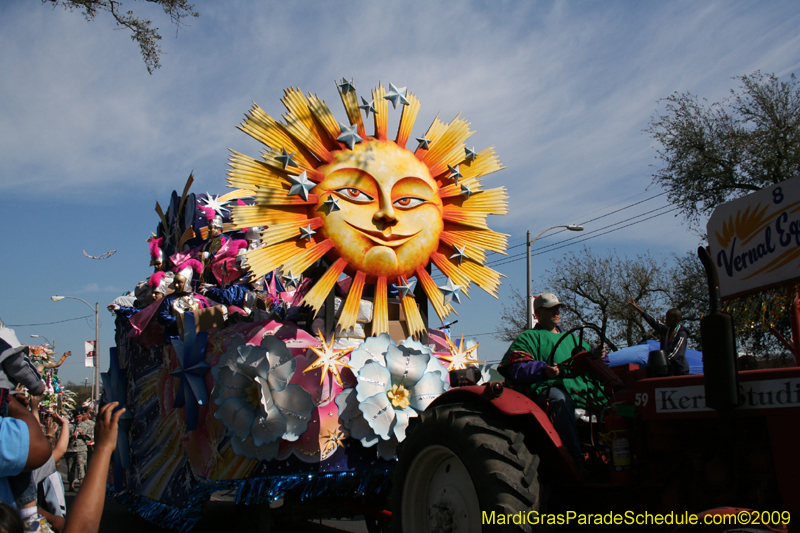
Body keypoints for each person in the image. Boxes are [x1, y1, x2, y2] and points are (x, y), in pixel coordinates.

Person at [498, 292, 607, 466]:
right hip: (548, 388)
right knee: (560, 400)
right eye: (551, 309)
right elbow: (516, 367)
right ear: (538, 313)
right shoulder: (529, 337)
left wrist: (598, 355)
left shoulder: (572, 338)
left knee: (612, 399)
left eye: (558, 309)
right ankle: (574, 459)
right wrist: (544, 370)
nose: (556, 313)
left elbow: (595, 361)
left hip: (580, 388)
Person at [628, 297, 690, 376]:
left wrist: (660, 361)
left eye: (668, 318)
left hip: (679, 370)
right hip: (667, 368)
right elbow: (653, 321)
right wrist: (637, 309)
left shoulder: (681, 334)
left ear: (676, 319)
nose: (666, 320)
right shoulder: (666, 330)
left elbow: (675, 354)